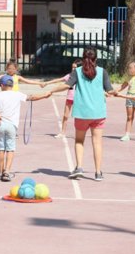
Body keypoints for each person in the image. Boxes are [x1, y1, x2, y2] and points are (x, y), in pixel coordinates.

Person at [48, 48, 116, 181]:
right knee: (97, 142)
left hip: (82, 112)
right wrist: (116, 91)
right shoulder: (102, 72)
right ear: (96, 59)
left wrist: (51, 91)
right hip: (98, 113)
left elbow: (66, 85)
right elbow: (110, 90)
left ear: (83, 58)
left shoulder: (77, 72)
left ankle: (79, 167)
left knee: (79, 140)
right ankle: (98, 172)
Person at [0, 75, 51, 182]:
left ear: (2, 85)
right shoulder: (17, 94)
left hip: (0, 125)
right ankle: (7, 172)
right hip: (12, 125)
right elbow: (32, 98)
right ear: (12, 85)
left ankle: (0, 172)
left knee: (0, 148)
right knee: (10, 149)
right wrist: (45, 95)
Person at [42, 59, 82, 139]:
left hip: (79, 99)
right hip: (70, 98)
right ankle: (63, 132)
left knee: (79, 117)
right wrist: (47, 83)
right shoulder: (69, 76)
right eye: (72, 67)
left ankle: (80, 133)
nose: (73, 69)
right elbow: (58, 80)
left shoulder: (82, 77)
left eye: (75, 68)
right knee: (65, 116)